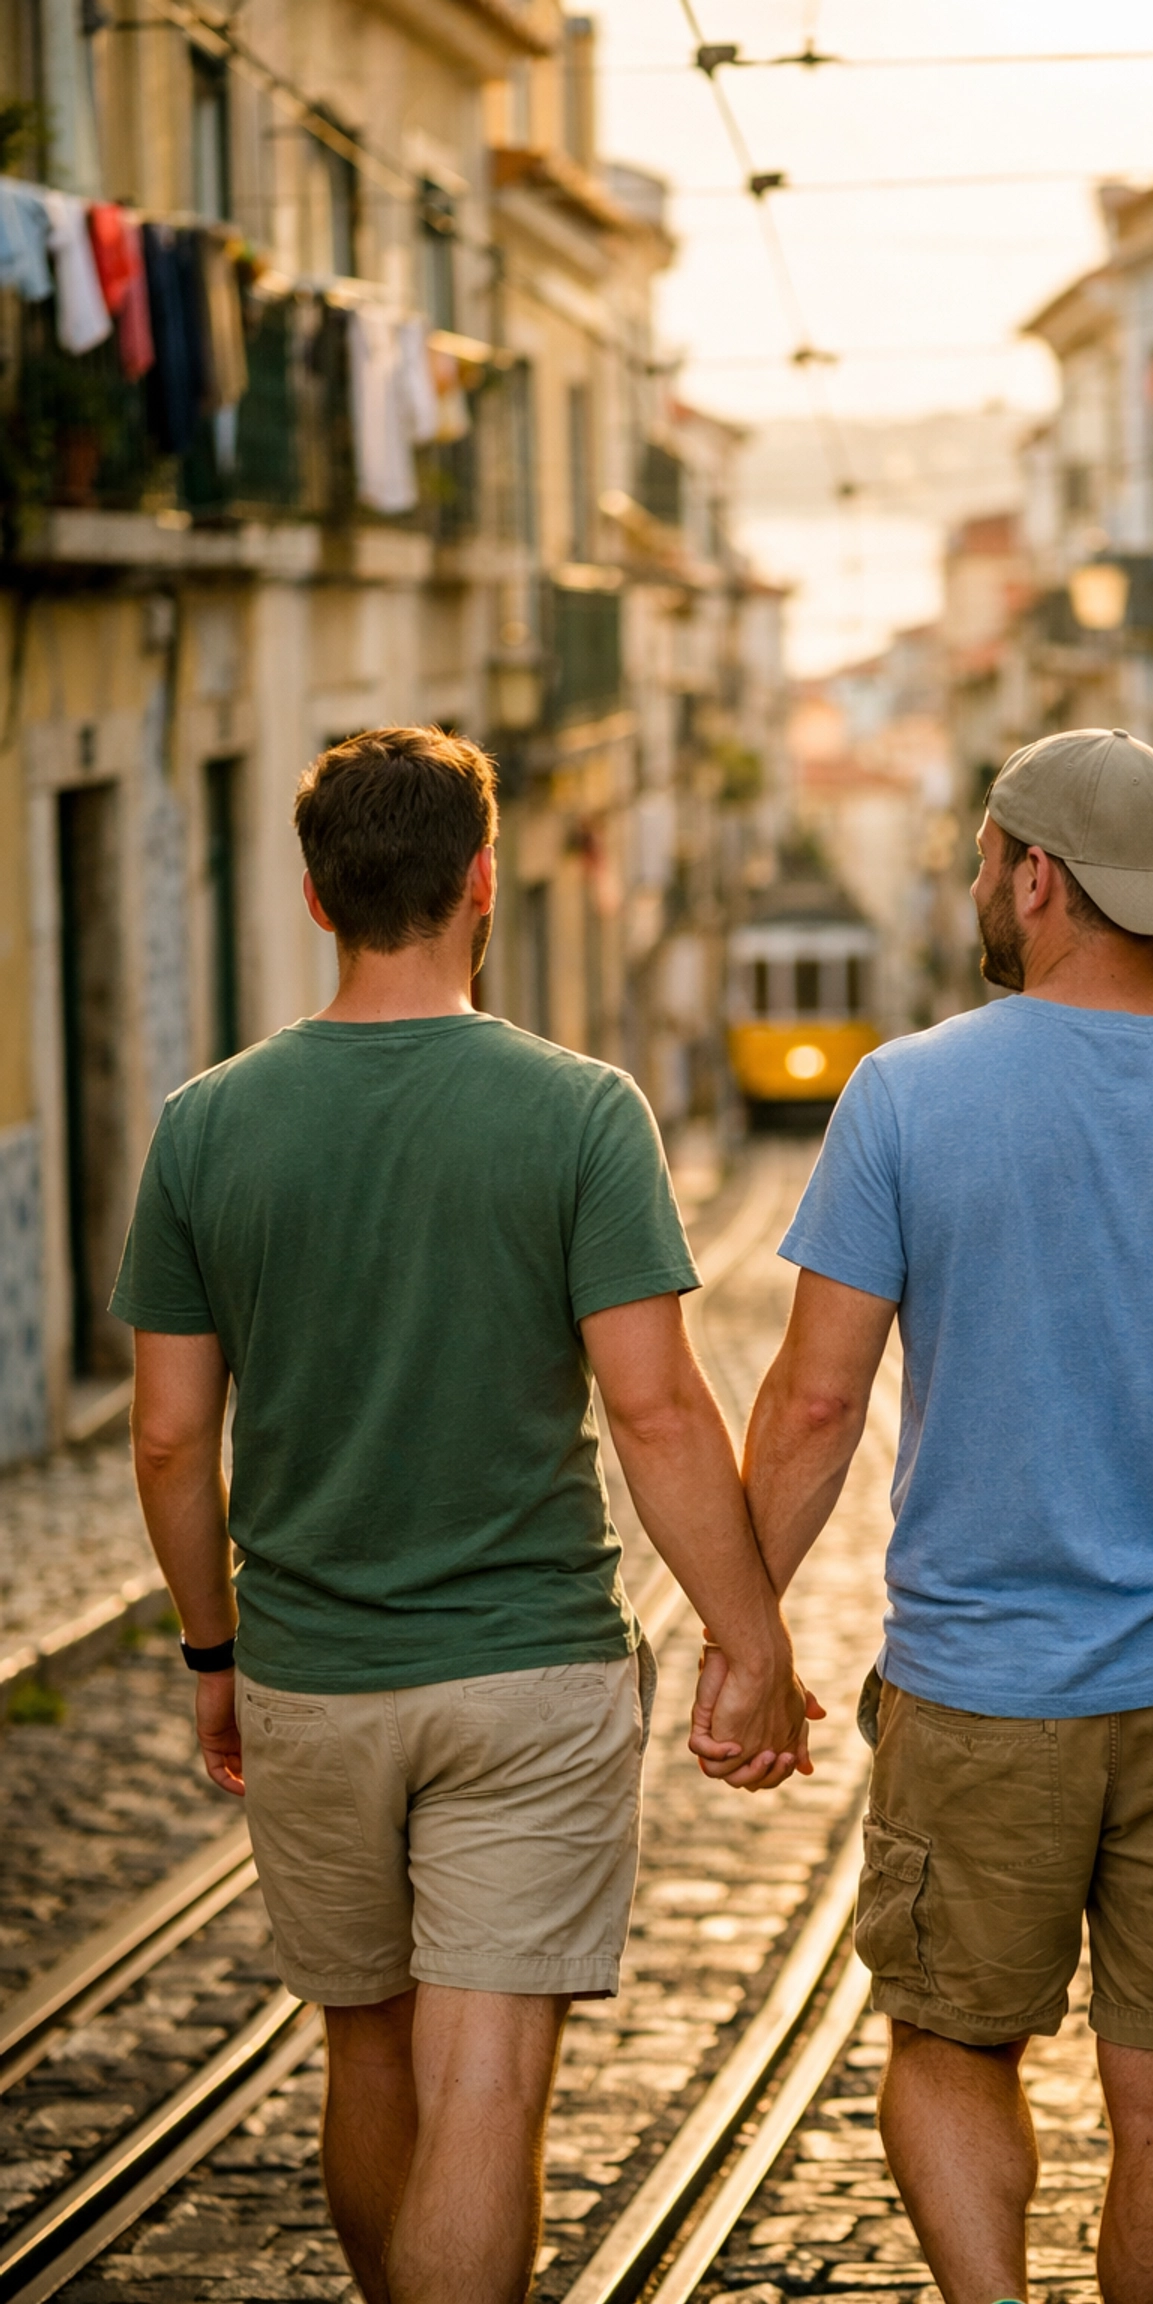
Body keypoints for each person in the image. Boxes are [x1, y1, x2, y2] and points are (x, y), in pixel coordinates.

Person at [112, 726, 812, 2304]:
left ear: (314, 897)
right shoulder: (579, 1113)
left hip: (306, 1678)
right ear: (482, 880)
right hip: (527, 1678)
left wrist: (210, 1657)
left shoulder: (206, 1127)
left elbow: (169, 1441)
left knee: (367, 2057)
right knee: (485, 2081)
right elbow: (656, 1409)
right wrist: (749, 1641)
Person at [737, 727, 1153, 2304]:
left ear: (1036, 876)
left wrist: (745, 1634)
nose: (978, 883)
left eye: (985, 858)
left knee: (952, 2048)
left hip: (983, 1698)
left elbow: (817, 1405)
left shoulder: (902, 1097)